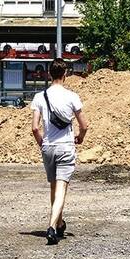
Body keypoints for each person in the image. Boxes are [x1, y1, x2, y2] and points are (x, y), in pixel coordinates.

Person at [31, 58, 89, 246]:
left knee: (54, 187)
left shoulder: (40, 97)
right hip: (65, 146)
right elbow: (84, 125)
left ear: (49, 74)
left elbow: (34, 128)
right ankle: (51, 227)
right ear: (65, 74)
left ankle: (60, 222)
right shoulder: (72, 96)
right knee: (62, 187)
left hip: (48, 147)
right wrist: (80, 137)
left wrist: (42, 144)